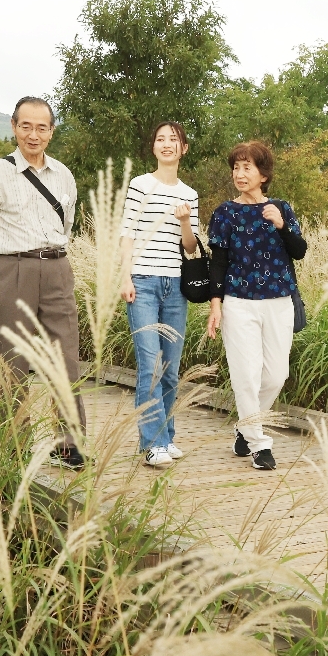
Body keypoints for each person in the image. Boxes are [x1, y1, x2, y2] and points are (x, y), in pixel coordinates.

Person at [0, 96, 87, 469]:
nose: (33, 135)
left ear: (51, 131)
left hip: (56, 269)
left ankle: (68, 444)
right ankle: (14, 446)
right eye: (26, 126)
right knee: (13, 360)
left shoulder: (63, 175)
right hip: (10, 270)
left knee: (65, 357)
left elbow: (66, 225)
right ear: (14, 127)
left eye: (41, 128)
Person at [206, 141, 307, 471]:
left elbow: (299, 251)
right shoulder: (225, 213)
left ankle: (246, 427)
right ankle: (260, 445)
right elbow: (218, 262)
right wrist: (216, 305)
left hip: (279, 302)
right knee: (246, 376)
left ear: (263, 175)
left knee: (276, 375)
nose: (239, 173)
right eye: (236, 167)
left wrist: (281, 225)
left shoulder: (281, 208)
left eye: (247, 167)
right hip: (238, 303)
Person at [119, 121, 201, 467]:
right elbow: (127, 233)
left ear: (184, 148)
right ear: (153, 147)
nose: (167, 144)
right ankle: (152, 443)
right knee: (150, 364)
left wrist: (184, 221)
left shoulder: (190, 194)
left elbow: (191, 246)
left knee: (169, 368)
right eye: (160, 139)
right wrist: (126, 277)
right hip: (143, 283)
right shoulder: (140, 184)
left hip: (175, 286)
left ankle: (166, 436)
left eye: (174, 140)